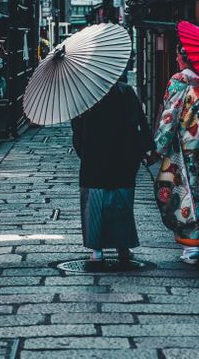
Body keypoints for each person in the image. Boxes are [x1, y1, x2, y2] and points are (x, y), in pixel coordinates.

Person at [147, 44, 199, 265]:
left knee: (180, 191)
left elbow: (170, 115)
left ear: (184, 58)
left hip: (183, 146)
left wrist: (157, 147)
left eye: (178, 56)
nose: (177, 59)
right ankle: (195, 243)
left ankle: (190, 245)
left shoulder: (180, 80)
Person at [71, 75, 153, 262]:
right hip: (123, 157)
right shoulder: (126, 91)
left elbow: (77, 130)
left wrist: (84, 152)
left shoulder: (84, 95)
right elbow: (140, 122)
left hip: (94, 159)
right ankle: (123, 248)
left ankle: (97, 251)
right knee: (122, 203)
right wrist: (144, 148)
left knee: (94, 204)